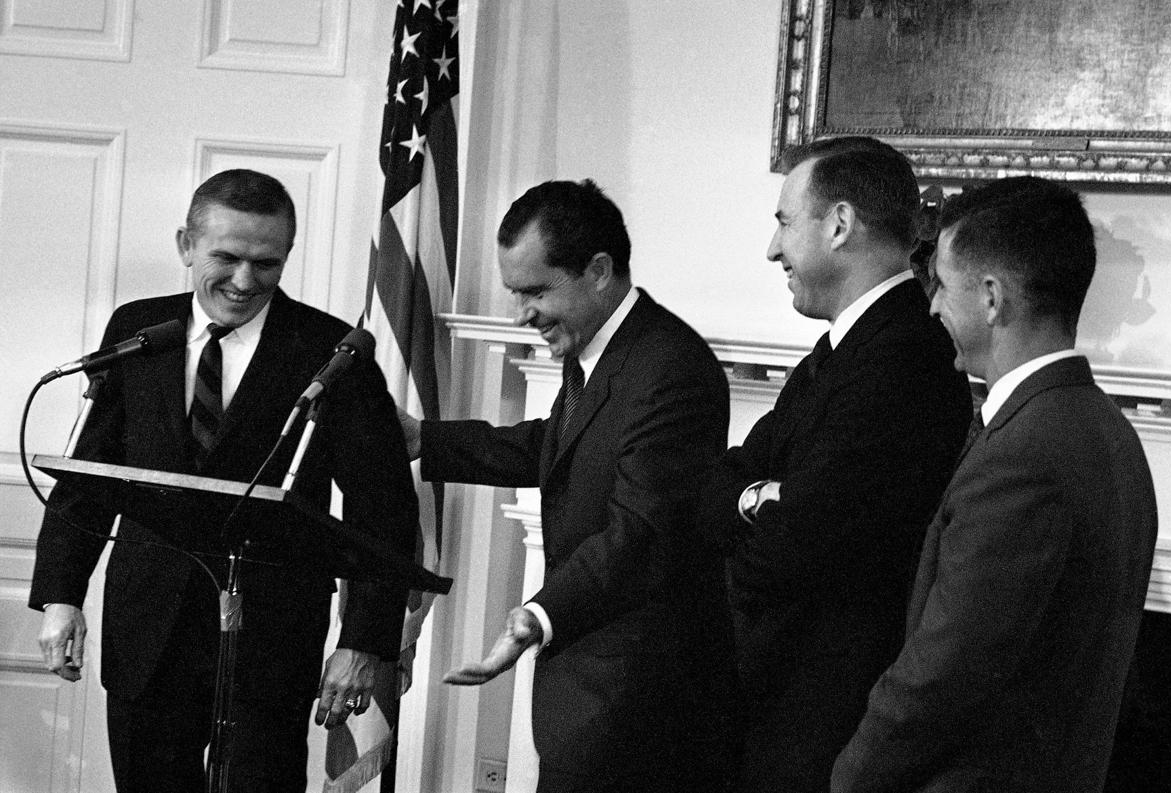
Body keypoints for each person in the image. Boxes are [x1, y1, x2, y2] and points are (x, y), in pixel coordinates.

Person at [29, 169, 419, 793]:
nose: (245, 282)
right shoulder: (137, 330)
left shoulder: (332, 351)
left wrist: (364, 641)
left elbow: (386, 511)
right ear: (186, 244)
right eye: (227, 258)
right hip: (145, 635)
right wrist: (60, 596)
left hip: (270, 642)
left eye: (267, 263)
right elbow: (89, 478)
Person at [398, 179, 735, 792]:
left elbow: (639, 531)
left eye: (534, 291)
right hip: (593, 693)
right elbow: (557, 450)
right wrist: (427, 439)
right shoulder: (606, 351)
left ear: (599, 270)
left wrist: (535, 616)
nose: (521, 313)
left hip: (635, 703)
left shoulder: (668, 369)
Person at [832, 176, 1158, 792]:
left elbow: (945, 672)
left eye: (943, 288)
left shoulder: (1026, 455)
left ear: (990, 297)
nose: (932, 307)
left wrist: (851, 775)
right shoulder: (1107, 430)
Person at [696, 136, 973, 792]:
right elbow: (714, 485)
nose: (772, 249)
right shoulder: (842, 349)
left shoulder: (908, 356)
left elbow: (793, 547)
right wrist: (758, 495)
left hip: (825, 727)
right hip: (782, 709)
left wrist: (755, 500)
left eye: (784, 223)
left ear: (840, 224)